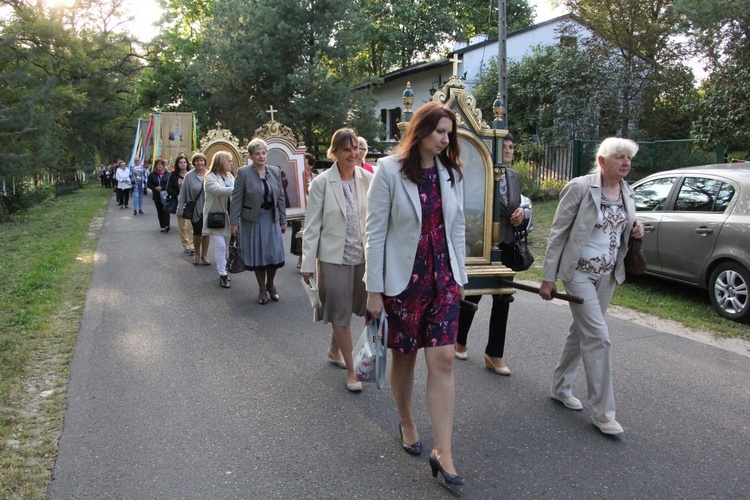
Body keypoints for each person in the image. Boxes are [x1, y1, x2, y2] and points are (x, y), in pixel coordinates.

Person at [365, 102, 468, 485]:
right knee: (405, 359)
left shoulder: (453, 172)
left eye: (448, 133)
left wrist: (460, 278)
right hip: (403, 283)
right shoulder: (389, 170)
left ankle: (444, 451)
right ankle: (407, 421)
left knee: (443, 360)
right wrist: (374, 289)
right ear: (421, 130)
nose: (445, 139)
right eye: (440, 131)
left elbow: (456, 228)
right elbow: (374, 232)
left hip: (443, 278)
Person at [539, 137, 645, 437]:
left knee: (582, 331)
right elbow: (558, 233)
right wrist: (549, 278)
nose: (626, 163)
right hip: (579, 273)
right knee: (598, 337)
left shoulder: (627, 191)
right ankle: (604, 413)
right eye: (620, 157)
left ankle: (560, 387)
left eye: (629, 158)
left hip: (608, 274)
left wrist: (637, 226)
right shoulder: (581, 188)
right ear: (602, 161)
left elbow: (622, 225)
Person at [300, 128, 373, 392]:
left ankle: (334, 349)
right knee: (340, 313)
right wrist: (307, 263)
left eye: (355, 148)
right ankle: (353, 372)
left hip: (362, 256)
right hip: (334, 258)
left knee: (352, 309)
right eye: (346, 149)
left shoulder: (367, 178)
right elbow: (312, 226)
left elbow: (375, 219)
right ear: (334, 152)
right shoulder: (321, 182)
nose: (353, 153)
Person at [454, 133, 531, 375]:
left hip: (507, 244)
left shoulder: (514, 175)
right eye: (504, 146)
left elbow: (518, 204)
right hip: (480, 244)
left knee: (504, 298)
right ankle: (460, 340)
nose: (507, 151)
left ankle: (494, 354)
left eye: (511, 147)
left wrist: (521, 212)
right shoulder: (480, 171)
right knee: (472, 296)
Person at [230, 138, 287, 304]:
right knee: (259, 255)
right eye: (257, 154)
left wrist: (283, 219)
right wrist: (234, 222)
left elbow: (281, 197)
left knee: (274, 254)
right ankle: (262, 288)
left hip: (272, 219)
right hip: (253, 221)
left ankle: (271, 284)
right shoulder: (243, 173)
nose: (261, 156)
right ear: (250, 156)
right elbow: (236, 199)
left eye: (263, 153)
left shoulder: (275, 171)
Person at [204, 152, 235, 288]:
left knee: (227, 246)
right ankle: (222, 274)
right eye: (228, 161)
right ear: (221, 162)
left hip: (229, 216)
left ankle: (225, 270)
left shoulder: (230, 176)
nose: (230, 164)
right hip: (216, 217)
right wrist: (239, 189)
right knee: (220, 246)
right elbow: (219, 190)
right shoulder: (210, 177)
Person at [178, 153, 211, 265]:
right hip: (196, 209)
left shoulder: (210, 174)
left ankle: (204, 255)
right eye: (197, 161)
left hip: (208, 208)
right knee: (197, 232)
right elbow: (183, 194)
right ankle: (197, 253)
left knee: (206, 232)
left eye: (202, 160)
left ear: (205, 162)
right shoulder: (189, 176)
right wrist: (179, 209)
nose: (199, 163)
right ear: (193, 163)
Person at [290, 153, 318, 269]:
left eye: (305, 163)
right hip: (301, 210)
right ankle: (301, 258)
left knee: (312, 235)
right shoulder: (296, 177)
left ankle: (312, 259)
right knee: (299, 235)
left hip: (313, 210)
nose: (302, 166)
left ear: (310, 166)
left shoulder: (316, 178)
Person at [167, 154, 194, 254]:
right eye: (180, 162)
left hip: (191, 202)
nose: (183, 164)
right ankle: (185, 244)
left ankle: (192, 245)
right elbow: (168, 188)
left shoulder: (191, 174)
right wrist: (176, 195)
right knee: (182, 225)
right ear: (177, 164)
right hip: (180, 202)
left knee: (192, 225)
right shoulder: (174, 175)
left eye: (184, 162)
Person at [146, 157, 171, 232]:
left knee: (166, 210)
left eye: (161, 164)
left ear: (163, 166)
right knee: (160, 211)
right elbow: (148, 184)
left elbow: (170, 184)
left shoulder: (168, 174)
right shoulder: (152, 175)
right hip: (157, 196)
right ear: (155, 166)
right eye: (158, 164)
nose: (160, 166)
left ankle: (167, 225)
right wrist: (155, 188)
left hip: (166, 195)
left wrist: (163, 187)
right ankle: (162, 226)